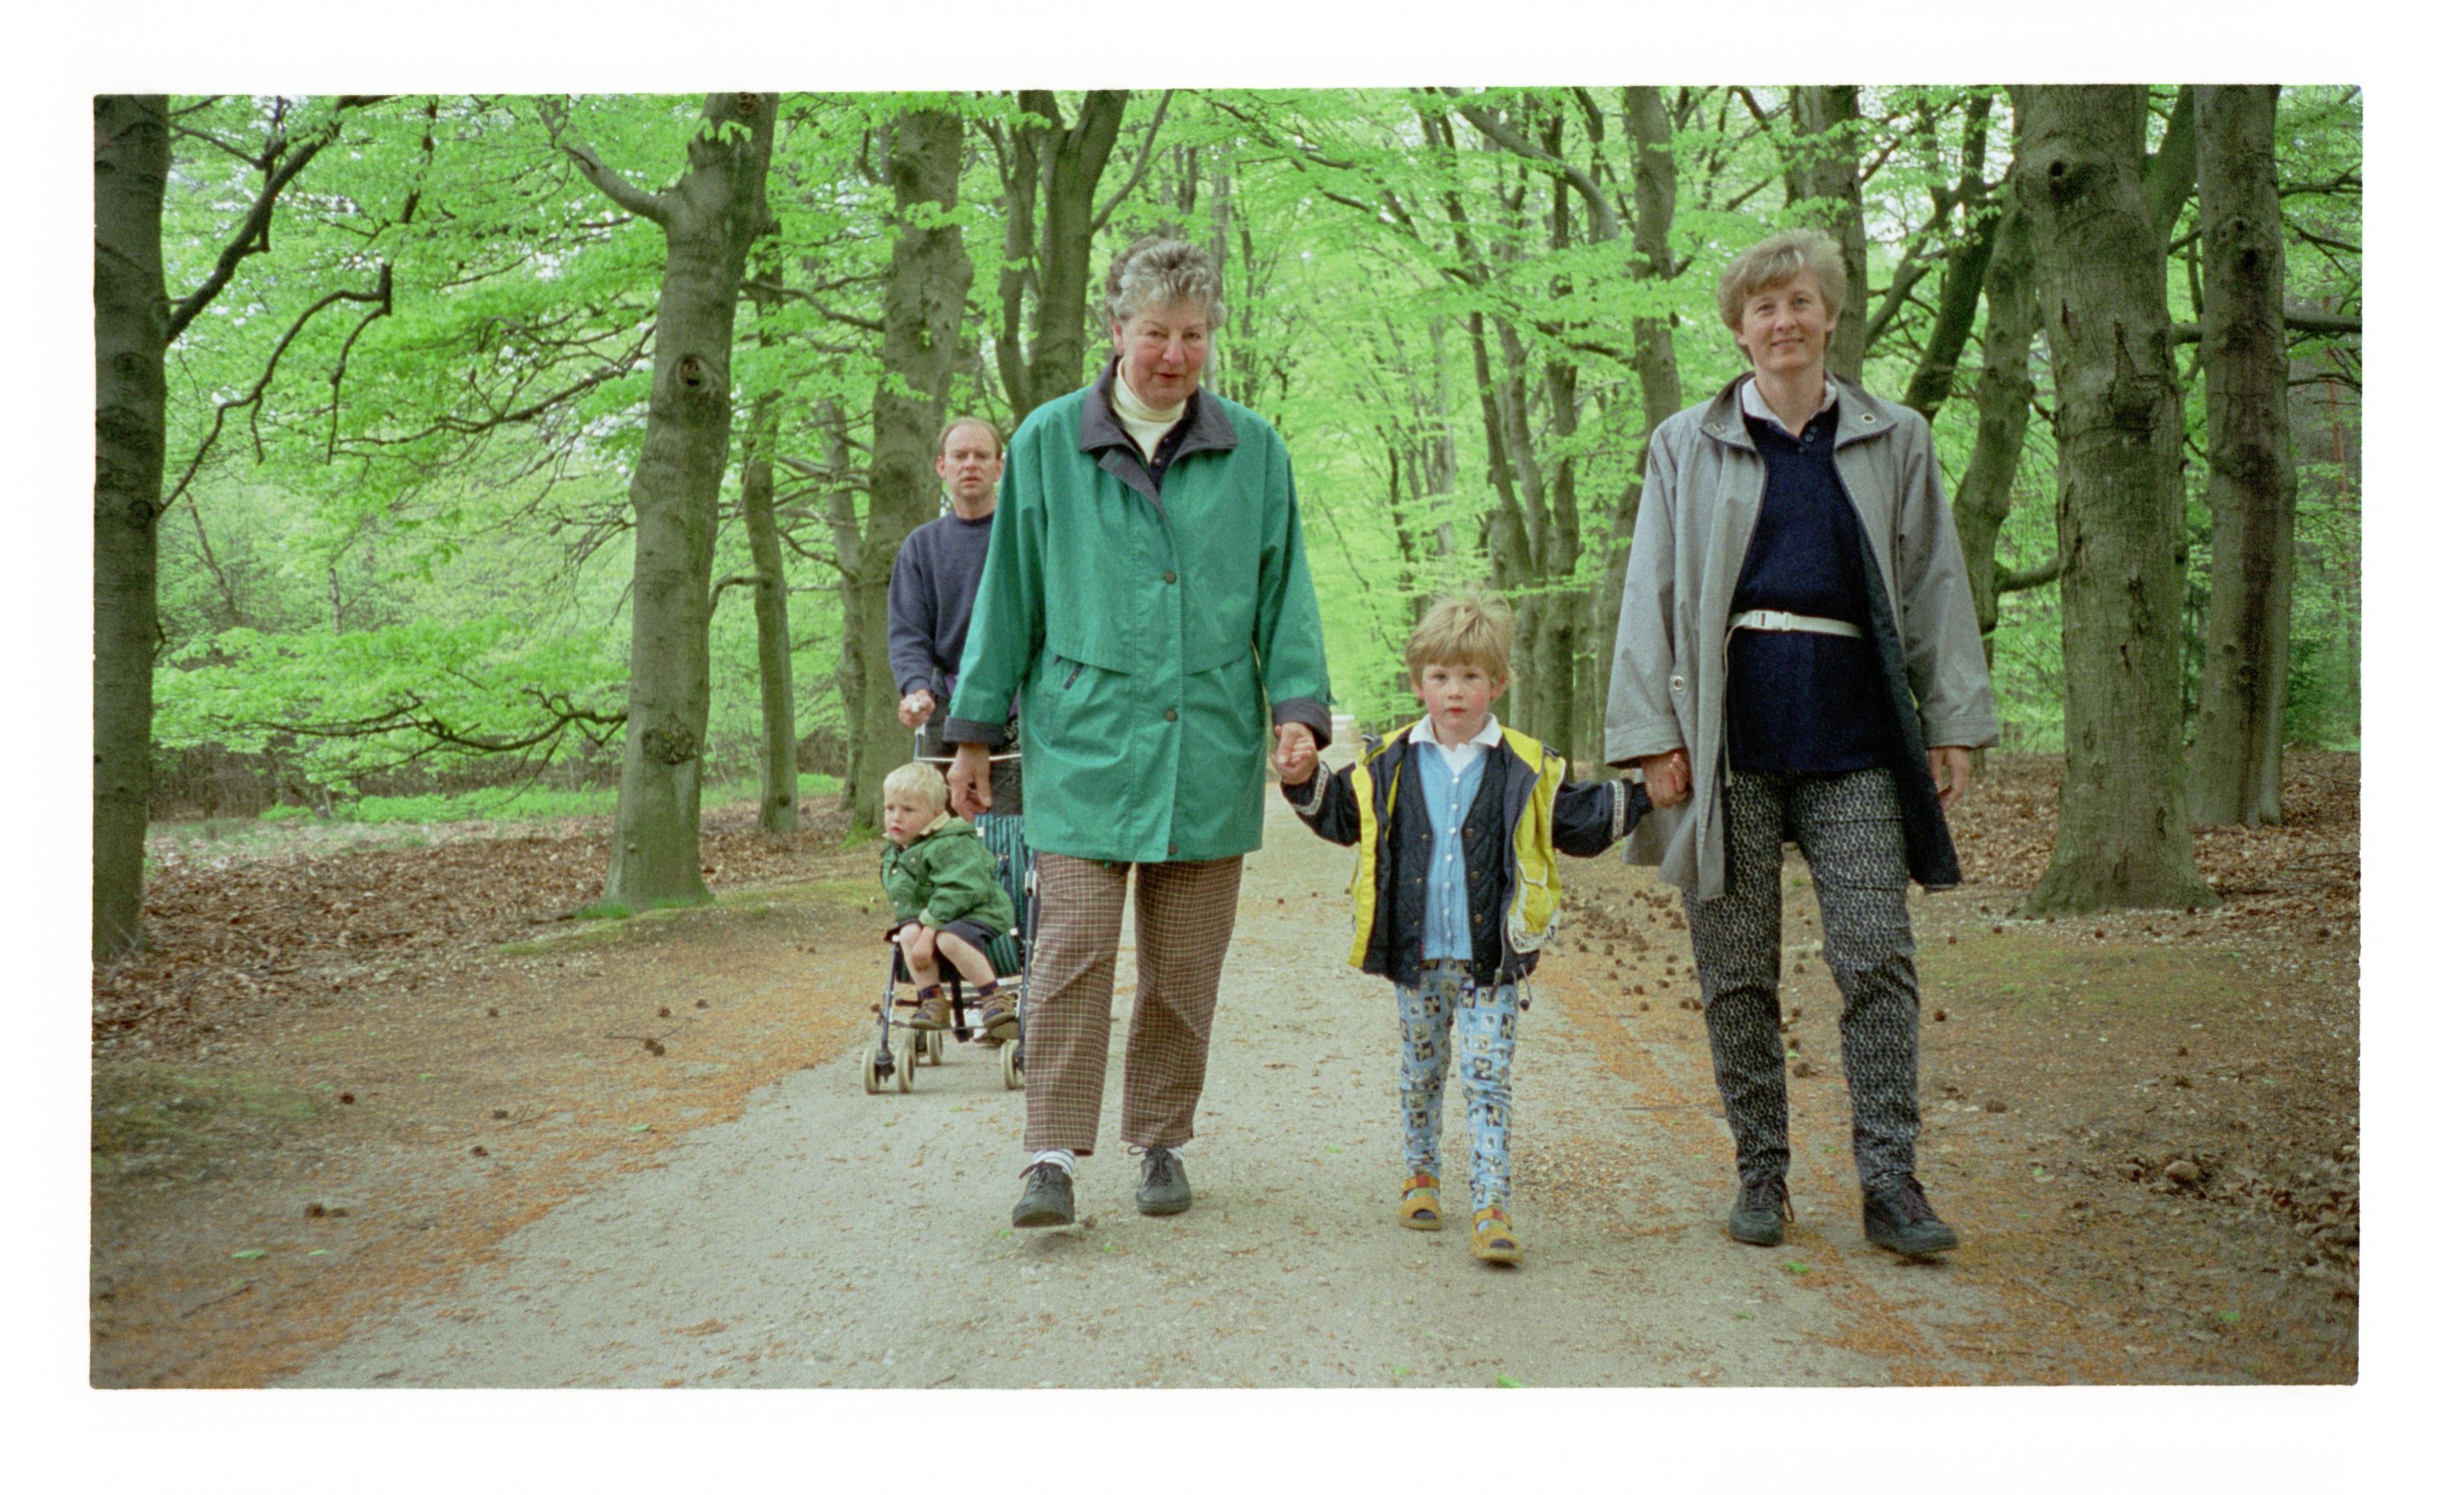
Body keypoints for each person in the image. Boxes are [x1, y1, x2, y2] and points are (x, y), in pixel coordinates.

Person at [1603, 227, 1999, 1257]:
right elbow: (1650, 590)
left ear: (1830, 315)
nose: (1784, 321)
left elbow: (1935, 579)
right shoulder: (1686, 442)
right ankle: (1761, 1173)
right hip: (1725, 740)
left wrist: (1953, 718)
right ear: (1740, 331)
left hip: (1854, 737)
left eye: (1800, 302)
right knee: (1737, 970)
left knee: (1877, 957)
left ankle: (1891, 1183)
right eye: (1764, 307)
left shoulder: (1893, 436)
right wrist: (1650, 736)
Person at [943, 236, 1333, 1231]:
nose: (1174, 354)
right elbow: (1010, 592)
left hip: (1207, 742)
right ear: (1117, 330)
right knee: (1071, 948)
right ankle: (1049, 1154)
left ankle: (1161, 1138)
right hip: (1083, 740)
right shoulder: (1046, 443)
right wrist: (976, 731)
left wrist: (1297, 712)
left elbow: (1286, 592)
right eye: (1156, 332)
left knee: (1185, 964)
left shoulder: (1254, 450)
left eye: (1193, 335)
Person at [1277, 593, 1647, 1265]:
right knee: (1422, 1070)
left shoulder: (1525, 766)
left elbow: (1580, 819)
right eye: (1441, 676)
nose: (1455, 691)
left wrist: (1649, 794)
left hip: (1491, 961)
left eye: (1471, 677)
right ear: (1418, 683)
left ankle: (1491, 1207)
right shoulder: (1389, 762)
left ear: (1497, 684)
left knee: (1486, 1075)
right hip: (1416, 955)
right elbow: (1342, 816)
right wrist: (1303, 778)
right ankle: (1421, 1175)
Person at [889, 416, 1022, 817]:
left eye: (982, 456)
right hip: (947, 706)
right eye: (960, 456)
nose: (970, 464)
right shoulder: (921, 547)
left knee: (1013, 831)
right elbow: (908, 633)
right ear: (941, 466)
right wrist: (916, 690)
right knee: (939, 830)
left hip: (1021, 707)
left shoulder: (1025, 537)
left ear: (1000, 467)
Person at [878, 761, 1019, 1037]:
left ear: (937, 813)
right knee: (907, 933)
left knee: (948, 939)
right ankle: (932, 1000)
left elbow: (960, 890)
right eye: (890, 808)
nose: (896, 817)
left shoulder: (952, 843)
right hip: (935, 916)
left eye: (908, 810)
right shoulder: (897, 849)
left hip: (978, 910)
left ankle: (993, 995)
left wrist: (929, 932)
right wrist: (918, 928)